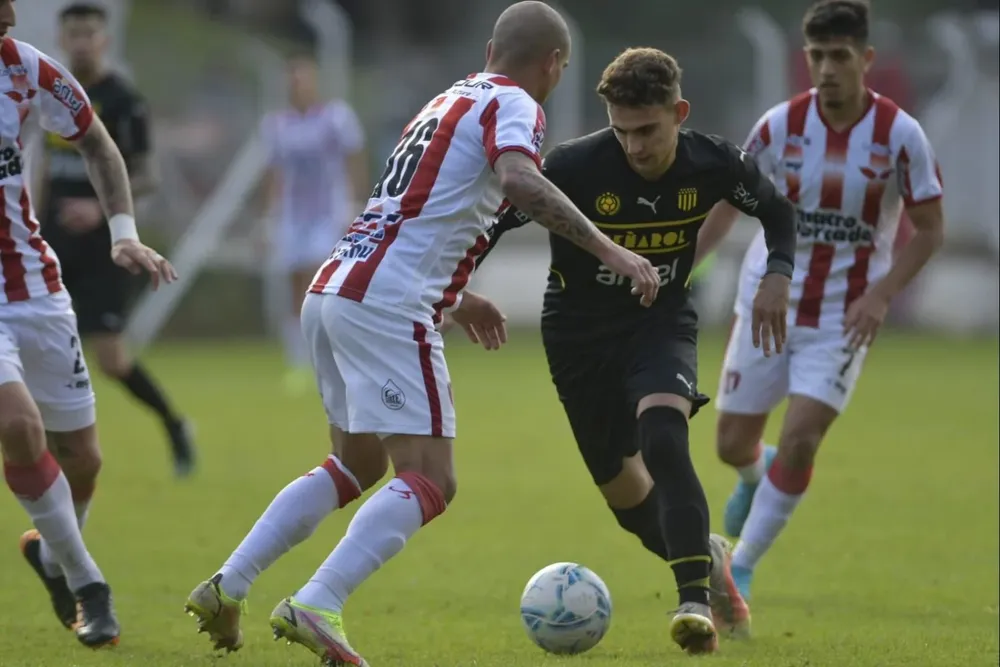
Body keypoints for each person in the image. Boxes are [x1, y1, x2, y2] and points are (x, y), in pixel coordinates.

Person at [182, 3, 660, 664]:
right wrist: (609, 249)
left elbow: (417, 209)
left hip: (333, 287)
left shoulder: (446, 100)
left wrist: (456, 296)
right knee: (432, 477)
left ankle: (226, 585)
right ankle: (317, 600)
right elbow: (521, 179)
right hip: (385, 304)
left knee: (356, 463)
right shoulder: (516, 103)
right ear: (554, 64)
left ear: (492, 45)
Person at [482, 47, 797, 654]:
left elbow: (778, 214)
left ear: (678, 112)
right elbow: (494, 219)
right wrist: (459, 286)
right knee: (627, 500)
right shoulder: (575, 166)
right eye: (621, 131)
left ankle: (693, 604)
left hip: (660, 320)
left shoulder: (715, 163)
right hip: (576, 336)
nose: (634, 147)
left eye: (648, 130)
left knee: (662, 436)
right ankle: (708, 557)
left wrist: (778, 275)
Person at [695, 0, 945, 600]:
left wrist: (882, 296)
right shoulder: (778, 126)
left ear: (866, 58)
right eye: (817, 56)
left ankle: (744, 566)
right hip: (767, 306)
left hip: (843, 316)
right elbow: (730, 203)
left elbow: (931, 228)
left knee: (805, 436)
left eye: (839, 56)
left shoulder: (901, 135)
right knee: (730, 444)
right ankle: (758, 473)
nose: (827, 68)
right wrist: (682, 268)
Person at [0, 0, 176, 647]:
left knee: (84, 458)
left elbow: (98, 142)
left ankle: (48, 555)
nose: (11, 19)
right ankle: (88, 584)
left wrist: (121, 231)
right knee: (18, 425)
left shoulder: (26, 70)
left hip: (36, 287)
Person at [32, 2, 194, 476]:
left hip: (107, 245)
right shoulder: (50, 93)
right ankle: (44, 457)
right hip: (54, 242)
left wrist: (98, 209)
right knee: (35, 347)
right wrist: (36, 220)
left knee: (112, 359)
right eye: (73, 33)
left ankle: (174, 425)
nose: (81, 42)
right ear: (61, 40)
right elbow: (44, 166)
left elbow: (146, 175)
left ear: (104, 40)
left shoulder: (123, 100)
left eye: (90, 33)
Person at [260, 52, 368, 392]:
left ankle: (338, 353)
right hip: (293, 215)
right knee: (296, 284)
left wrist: (355, 204)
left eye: (303, 79)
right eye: (293, 80)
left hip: (328, 212)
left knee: (322, 280)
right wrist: (268, 216)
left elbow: (354, 160)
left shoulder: (336, 118)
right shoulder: (277, 125)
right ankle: (298, 361)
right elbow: (274, 173)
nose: (298, 86)